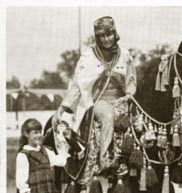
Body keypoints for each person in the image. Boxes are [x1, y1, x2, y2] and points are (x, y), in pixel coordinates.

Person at [52, 16, 137, 182]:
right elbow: (77, 85)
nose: (106, 39)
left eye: (109, 35)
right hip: (98, 101)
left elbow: (131, 80)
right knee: (108, 115)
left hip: (122, 100)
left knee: (140, 124)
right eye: (102, 36)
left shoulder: (125, 55)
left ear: (115, 34)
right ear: (97, 37)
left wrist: (129, 95)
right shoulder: (88, 57)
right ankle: (105, 158)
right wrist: (62, 108)